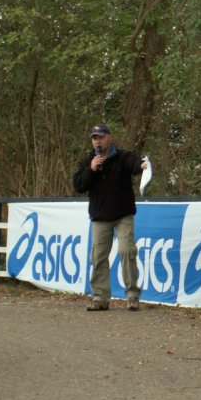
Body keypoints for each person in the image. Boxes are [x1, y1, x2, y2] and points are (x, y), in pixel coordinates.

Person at [73, 123, 148, 312]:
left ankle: (132, 296)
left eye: (101, 136)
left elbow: (135, 163)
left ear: (109, 137)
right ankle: (100, 298)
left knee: (126, 251)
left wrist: (143, 165)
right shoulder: (88, 161)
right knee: (98, 258)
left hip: (123, 215)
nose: (97, 140)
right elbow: (79, 186)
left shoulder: (122, 157)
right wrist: (91, 169)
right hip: (100, 217)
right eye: (94, 137)